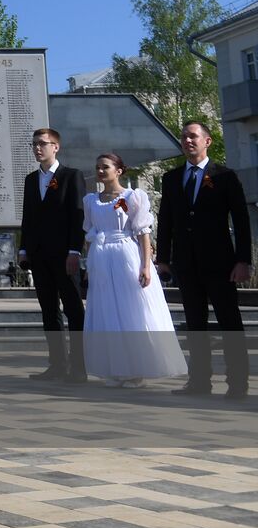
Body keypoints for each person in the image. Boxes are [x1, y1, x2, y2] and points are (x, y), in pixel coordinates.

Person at [157, 121, 251, 399]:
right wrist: (163, 258)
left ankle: (237, 384)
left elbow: (241, 221)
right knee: (194, 325)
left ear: (207, 141)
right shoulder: (172, 178)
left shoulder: (225, 176)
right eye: (184, 137)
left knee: (229, 323)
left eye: (193, 136)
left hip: (221, 263)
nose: (188, 141)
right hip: (186, 263)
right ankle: (199, 381)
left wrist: (243, 260)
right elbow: (166, 221)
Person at [81, 154, 186, 387]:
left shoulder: (132, 196)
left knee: (131, 311)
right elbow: (90, 235)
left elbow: (143, 233)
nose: (100, 171)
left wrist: (146, 265)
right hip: (102, 257)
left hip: (126, 255)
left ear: (118, 170)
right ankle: (117, 368)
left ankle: (136, 369)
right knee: (108, 312)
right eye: (97, 167)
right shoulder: (91, 201)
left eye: (105, 167)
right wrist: (89, 265)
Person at [19, 128, 87, 382]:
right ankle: (57, 364)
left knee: (73, 309)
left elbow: (77, 215)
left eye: (43, 144)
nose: (38, 148)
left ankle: (79, 367)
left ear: (56, 147)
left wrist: (74, 250)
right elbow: (29, 217)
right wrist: (24, 248)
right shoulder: (30, 179)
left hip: (64, 254)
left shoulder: (71, 176)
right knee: (49, 310)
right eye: (34, 144)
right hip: (39, 255)